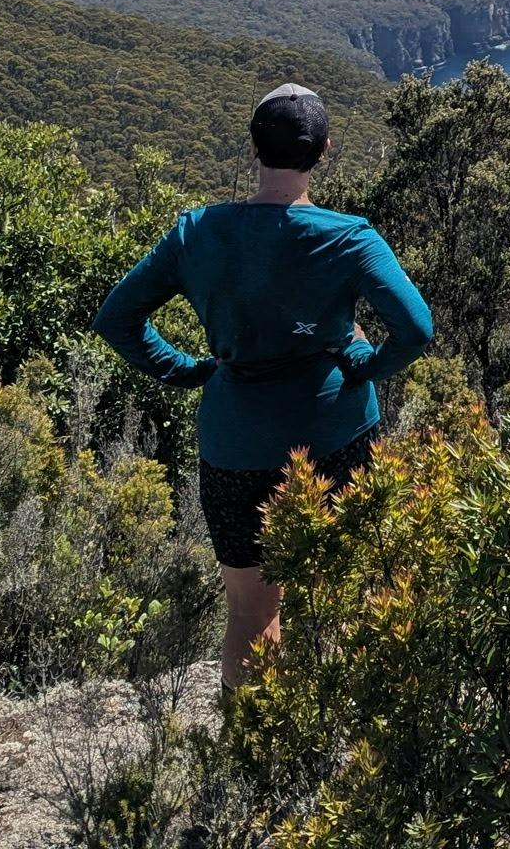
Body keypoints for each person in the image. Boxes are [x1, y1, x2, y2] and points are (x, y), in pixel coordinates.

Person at [92, 82, 432, 687]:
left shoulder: (197, 233)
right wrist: (361, 363)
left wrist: (188, 369)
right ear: (324, 150)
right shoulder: (350, 237)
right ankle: (346, 749)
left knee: (251, 611)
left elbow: (117, 319)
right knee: (343, 592)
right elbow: (415, 330)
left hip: (235, 444)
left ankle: (254, 756)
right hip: (338, 435)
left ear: (253, 150)